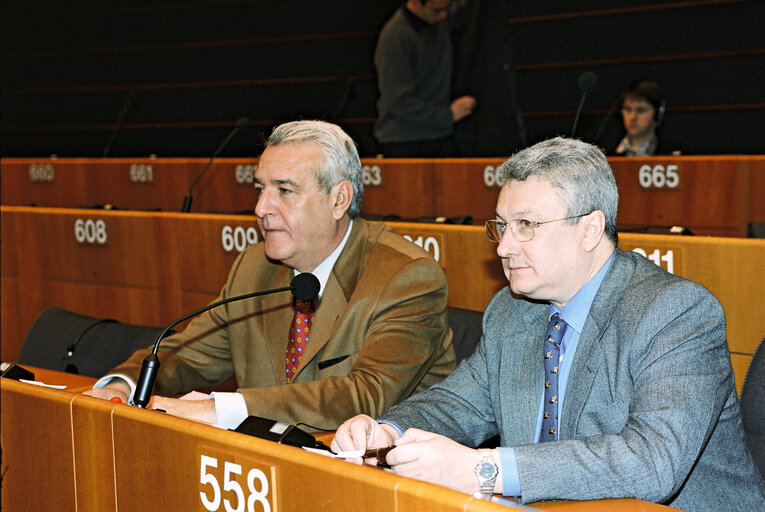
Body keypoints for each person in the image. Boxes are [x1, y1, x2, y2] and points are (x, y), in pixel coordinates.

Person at [333, 137, 765, 510]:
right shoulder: (511, 310)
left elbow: (652, 462)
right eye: (502, 226)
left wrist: (483, 469)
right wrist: (385, 429)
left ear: (590, 229)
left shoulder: (676, 312)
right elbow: (456, 405)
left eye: (526, 226)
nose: (503, 247)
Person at [84, 120, 456, 431]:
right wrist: (125, 383)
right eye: (261, 188)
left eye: (285, 190)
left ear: (339, 200)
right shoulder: (255, 267)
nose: (262, 208)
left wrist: (223, 409)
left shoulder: (407, 277)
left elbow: (366, 396)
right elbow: (188, 354)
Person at [373, 0, 476, 157]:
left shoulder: (436, 17)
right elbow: (398, 101)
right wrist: (448, 115)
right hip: (405, 142)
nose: (443, 16)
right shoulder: (395, 37)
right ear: (414, 3)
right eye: (437, 11)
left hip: (440, 135)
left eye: (447, 8)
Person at [614, 80, 677, 156]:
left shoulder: (673, 154)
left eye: (641, 110)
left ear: (657, 113)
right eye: (628, 109)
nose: (632, 117)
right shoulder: (605, 154)